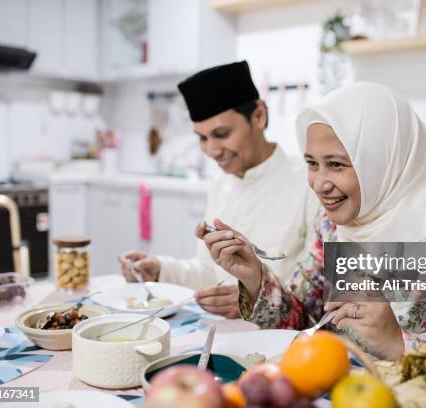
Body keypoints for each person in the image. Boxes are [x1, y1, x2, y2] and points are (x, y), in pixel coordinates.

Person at [196, 83, 426, 406]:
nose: (319, 184)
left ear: (382, 161)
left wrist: (402, 345)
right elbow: (304, 321)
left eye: (338, 165)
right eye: (312, 163)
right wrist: (254, 277)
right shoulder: (341, 225)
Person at [118, 61, 319, 318]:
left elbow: (318, 296)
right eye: (202, 138)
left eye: (221, 134)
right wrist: (160, 271)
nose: (212, 150)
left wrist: (254, 298)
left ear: (259, 116)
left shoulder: (309, 182)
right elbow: (209, 273)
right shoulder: (221, 185)